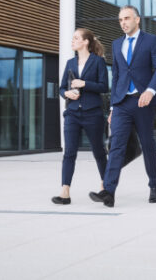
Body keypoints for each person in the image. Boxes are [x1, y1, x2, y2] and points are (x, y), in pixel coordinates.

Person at [90, 5, 156, 207]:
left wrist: (150, 91)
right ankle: (109, 192)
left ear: (137, 19)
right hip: (122, 103)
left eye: (127, 18)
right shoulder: (116, 44)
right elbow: (117, 76)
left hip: (143, 101)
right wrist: (113, 107)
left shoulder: (151, 40)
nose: (123, 22)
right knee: (115, 146)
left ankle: (154, 185)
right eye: (120, 19)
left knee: (148, 144)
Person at [52, 28, 108, 205]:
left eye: (76, 38)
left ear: (86, 42)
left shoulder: (98, 62)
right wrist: (67, 94)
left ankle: (106, 187)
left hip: (93, 113)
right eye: (73, 38)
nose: (72, 41)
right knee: (69, 153)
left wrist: (85, 83)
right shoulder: (69, 63)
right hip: (73, 113)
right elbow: (61, 88)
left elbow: (104, 86)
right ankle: (65, 192)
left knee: (98, 151)